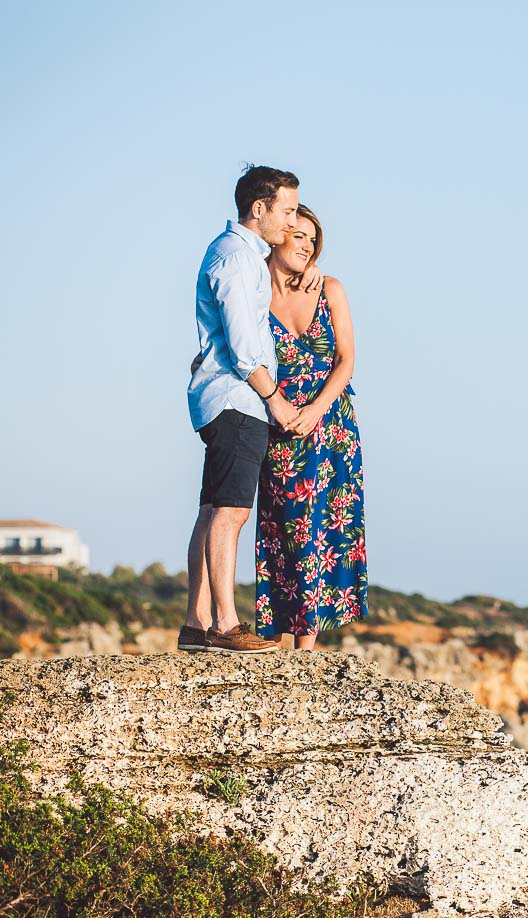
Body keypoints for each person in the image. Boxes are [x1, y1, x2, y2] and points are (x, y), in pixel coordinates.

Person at [179, 166, 323, 654]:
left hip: (223, 398)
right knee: (231, 514)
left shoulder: (241, 255)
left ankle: (196, 623)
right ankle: (224, 623)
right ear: (258, 208)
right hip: (238, 400)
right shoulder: (237, 259)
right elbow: (244, 346)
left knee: (211, 510)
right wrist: (274, 398)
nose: (291, 220)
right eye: (285, 210)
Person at [253, 205, 368, 647]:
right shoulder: (255, 293)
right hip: (280, 420)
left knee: (324, 527)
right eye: (297, 236)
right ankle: (281, 640)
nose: (305, 245)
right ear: (277, 235)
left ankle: (308, 650)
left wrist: (318, 409)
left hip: (331, 423)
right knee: (283, 526)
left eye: (311, 240)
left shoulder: (330, 289)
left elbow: (347, 362)